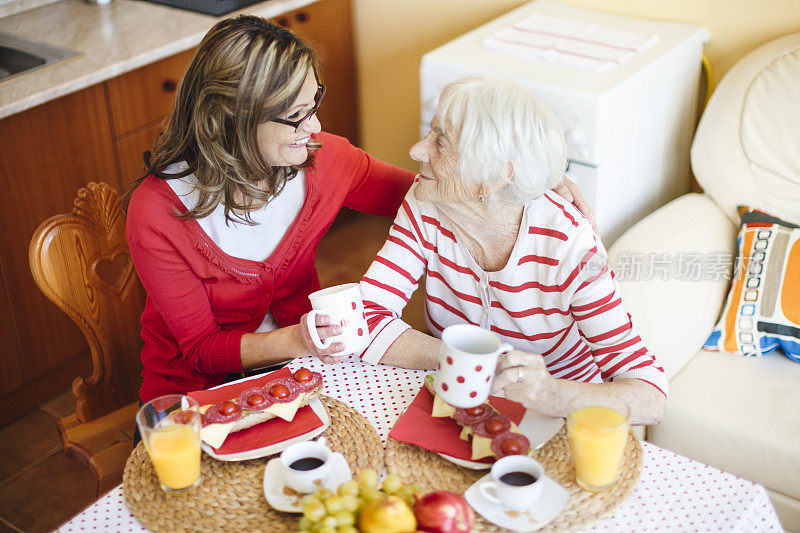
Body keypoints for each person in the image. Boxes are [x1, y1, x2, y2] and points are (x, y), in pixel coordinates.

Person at [125, 16, 593, 406]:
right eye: (296, 116)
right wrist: (299, 340)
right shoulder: (157, 212)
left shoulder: (322, 157)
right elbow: (202, 350)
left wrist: (527, 179)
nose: (316, 126)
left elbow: (439, 190)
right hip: (193, 394)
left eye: (315, 103)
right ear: (230, 119)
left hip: (299, 369)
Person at [357, 75, 666, 425]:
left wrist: (551, 394)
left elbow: (650, 394)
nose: (417, 150)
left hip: (556, 414)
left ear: (495, 176)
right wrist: (475, 360)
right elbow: (366, 318)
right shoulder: (427, 202)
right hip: (461, 395)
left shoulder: (569, 246)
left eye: (440, 143)